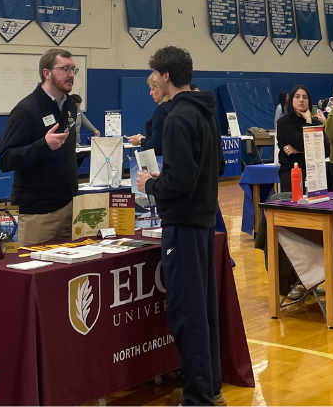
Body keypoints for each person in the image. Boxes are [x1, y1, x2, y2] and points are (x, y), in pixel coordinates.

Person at [136, 46, 224, 407]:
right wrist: (172, 177)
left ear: (165, 76)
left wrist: (151, 184)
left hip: (183, 226)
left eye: (155, 74)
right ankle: (210, 386)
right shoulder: (205, 110)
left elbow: (179, 182)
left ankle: (199, 397)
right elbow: (216, 166)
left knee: (188, 314)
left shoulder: (175, 118)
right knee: (204, 311)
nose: (153, 80)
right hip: (203, 222)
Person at [0, 48, 78, 245]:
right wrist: (43, 145)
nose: (70, 75)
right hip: (36, 214)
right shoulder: (26, 110)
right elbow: (6, 159)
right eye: (64, 69)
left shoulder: (69, 107)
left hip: (70, 207)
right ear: (47, 73)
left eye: (73, 70)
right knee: (32, 271)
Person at [276, 85, 325, 192]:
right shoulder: (284, 122)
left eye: (305, 97)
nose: (301, 100)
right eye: (297, 97)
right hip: (292, 172)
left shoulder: (316, 123)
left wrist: (299, 151)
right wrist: (308, 122)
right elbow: (300, 143)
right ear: (291, 100)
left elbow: (326, 148)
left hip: (316, 173)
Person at [127, 73, 171, 155]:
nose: (150, 93)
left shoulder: (161, 111)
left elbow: (156, 145)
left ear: (160, 87)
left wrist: (140, 141)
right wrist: (145, 139)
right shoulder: (178, 106)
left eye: (152, 89)